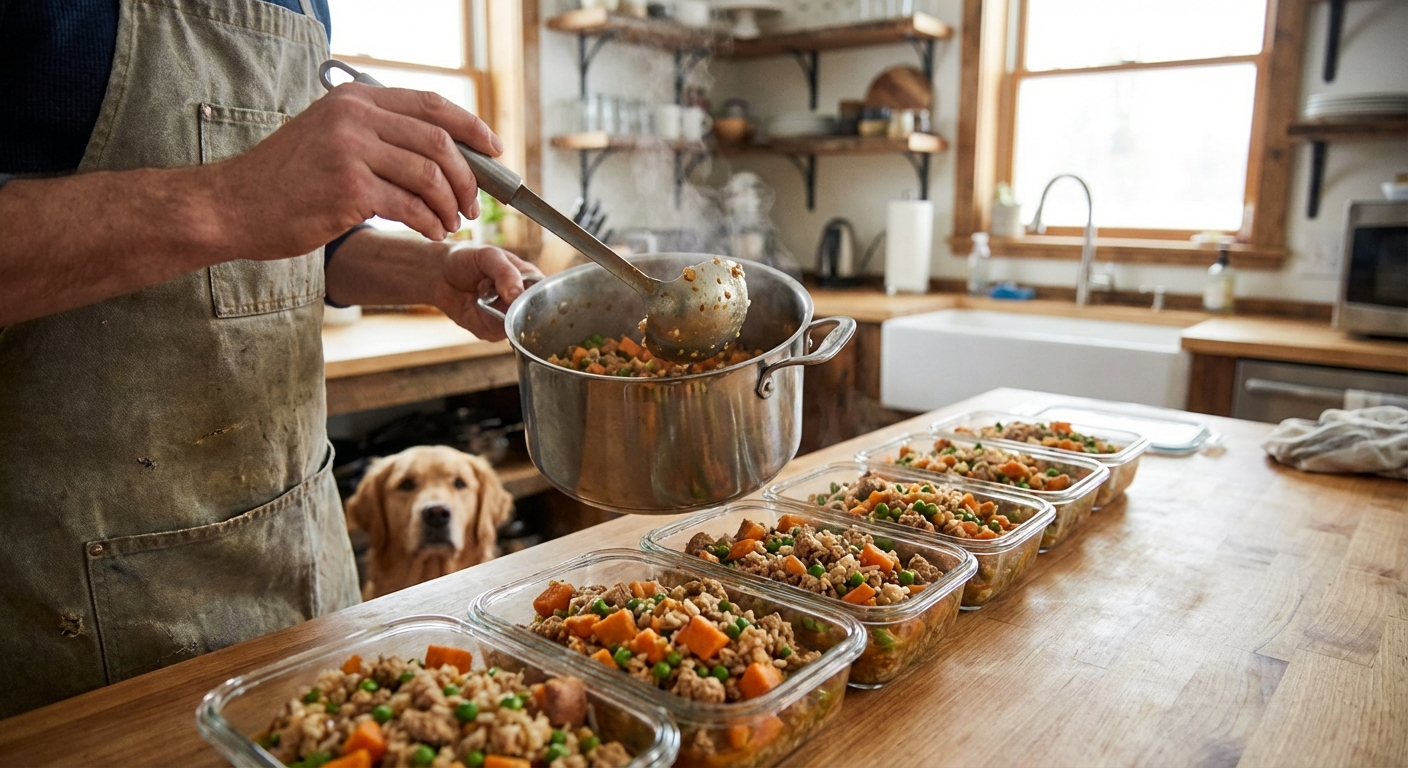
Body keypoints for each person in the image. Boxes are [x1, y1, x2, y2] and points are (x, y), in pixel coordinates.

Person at [0, 0, 534, 718]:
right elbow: (248, 203)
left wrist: (425, 272)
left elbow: (296, 243)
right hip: (76, 604)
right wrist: (230, 198)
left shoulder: (309, 9)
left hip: (302, 556)